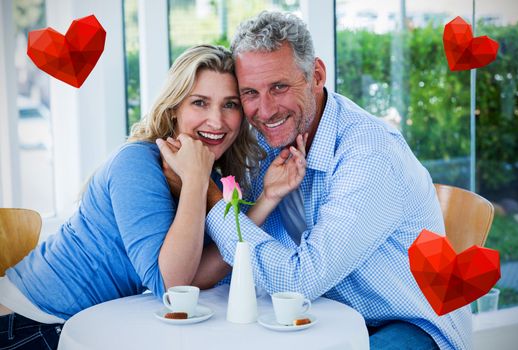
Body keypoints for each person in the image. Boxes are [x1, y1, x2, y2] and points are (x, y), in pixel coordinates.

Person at [0, 44, 306, 350]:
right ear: (174, 108)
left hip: (78, 323)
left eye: (230, 104)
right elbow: (172, 288)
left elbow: (193, 275)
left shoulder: (201, 172)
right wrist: (196, 182)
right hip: (28, 322)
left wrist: (267, 198)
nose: (216, 120)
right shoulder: (137, 162)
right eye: (199, 102)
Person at [197, 11, 471, 350]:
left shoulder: (369, 153)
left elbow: (299, 280)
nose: (265, 111)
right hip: (325, 317)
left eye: (279, 87)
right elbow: (239, 258)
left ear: (316, 75)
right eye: (250, 93)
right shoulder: (264, 141)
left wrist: (212, 200)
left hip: (407, 324)